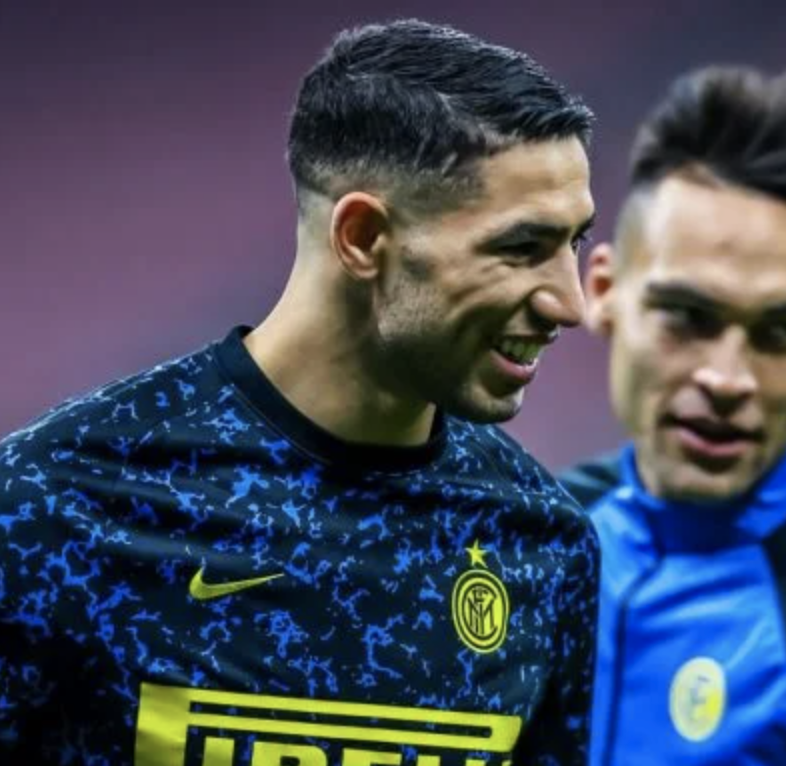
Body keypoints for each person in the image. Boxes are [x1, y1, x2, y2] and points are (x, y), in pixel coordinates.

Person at [0, 18, 598, 766]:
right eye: (521, 248)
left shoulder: (542, 541)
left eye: (574, 242)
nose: (570, 303)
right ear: (363, 237)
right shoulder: (52, 507)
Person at [560, 66, 786, 766]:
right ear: (604, 292)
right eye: (688, 317)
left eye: (778, 334)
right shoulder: (530, 539)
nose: (727, 379)